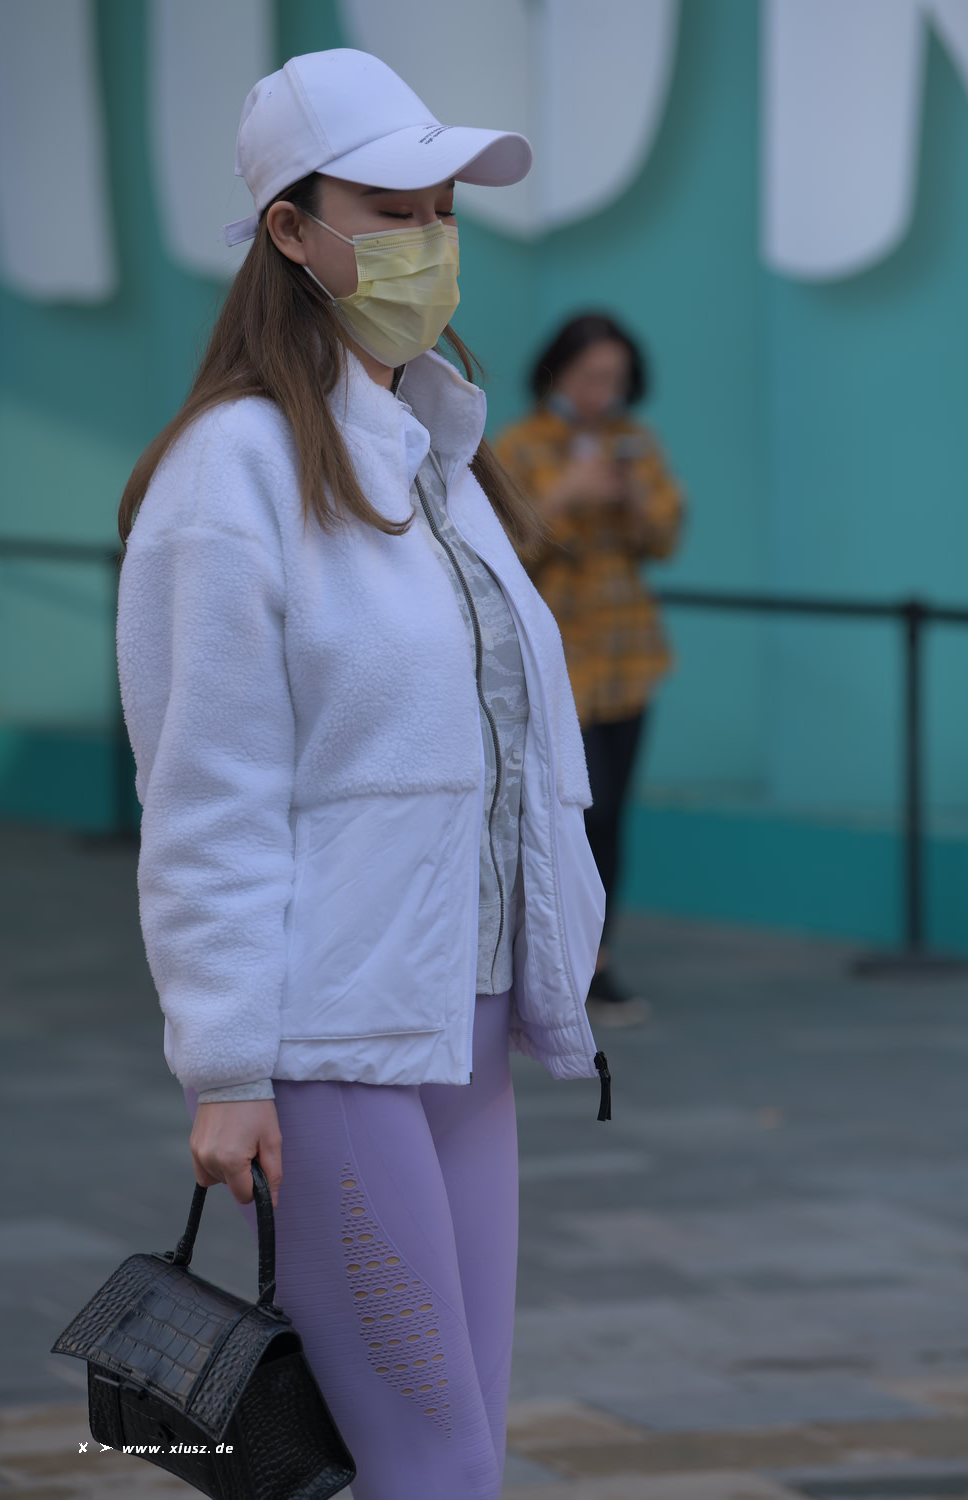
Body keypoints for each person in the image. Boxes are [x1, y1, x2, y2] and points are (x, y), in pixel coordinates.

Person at [114, 49, 611, 1500]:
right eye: (391, 210)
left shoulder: (439, 454)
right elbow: (204, 793)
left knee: (460, 1455)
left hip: (460, 1027)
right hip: (330, 1047)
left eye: (442, 209)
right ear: (290, 229)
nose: (429, 240)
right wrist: (225, 1067)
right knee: (432, 1464)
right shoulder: (232, 472)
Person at [494, 313, 685, 1029]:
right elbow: (501, 548)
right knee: (576, 809)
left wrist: (631, 495)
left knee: (613, 815)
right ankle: (550, 958)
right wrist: (565, 495)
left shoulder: (635, 444)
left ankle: (598, 961)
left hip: (627, 655)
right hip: (556, 662)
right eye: (590, 376)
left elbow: (665, 537)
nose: (603, 393)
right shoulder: (518, 446)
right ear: (557, 371)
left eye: (616, 379)